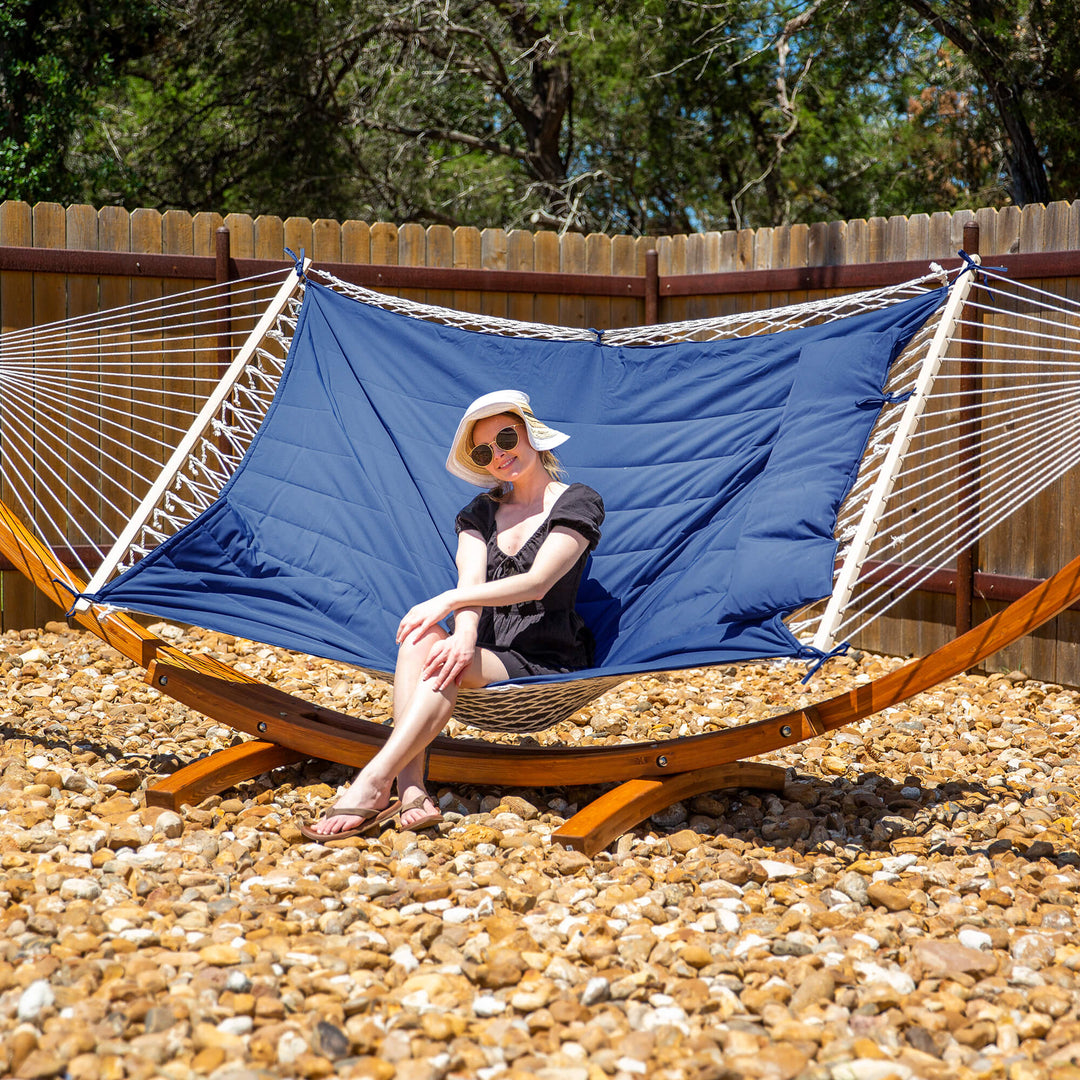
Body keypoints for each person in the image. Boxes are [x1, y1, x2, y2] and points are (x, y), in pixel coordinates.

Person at [301, 390, 604, 839]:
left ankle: (374, 779)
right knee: (421, 640)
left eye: (506, 437)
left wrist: (446, 603)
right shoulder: (480, 512)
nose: (500, 454)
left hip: (544, 652)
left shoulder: (577, 501)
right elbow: (471, 581)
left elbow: (539, 581)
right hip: (484, 644)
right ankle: (410, 789)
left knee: (438, 646)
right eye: (486, 451)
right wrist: (463, 633)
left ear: (530, 434)